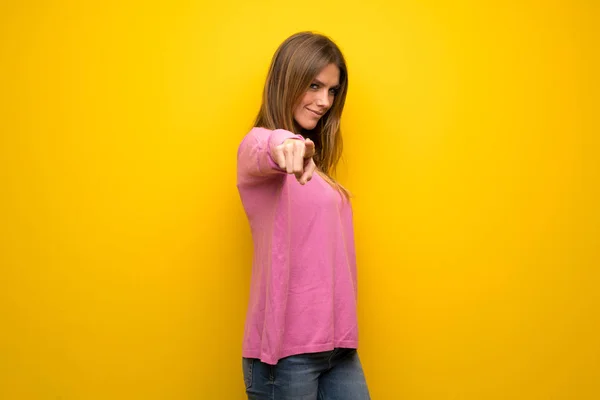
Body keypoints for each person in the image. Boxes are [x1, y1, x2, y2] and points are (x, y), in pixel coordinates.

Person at [236, 31, 370, 400]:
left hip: (339, 348)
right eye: (314, 85)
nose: (324, 101)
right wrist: (286, 144)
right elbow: (266, 146)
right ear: (287, 79)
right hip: (288, 355)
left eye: (332, 91)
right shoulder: (264, 149)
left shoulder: (316, 171)